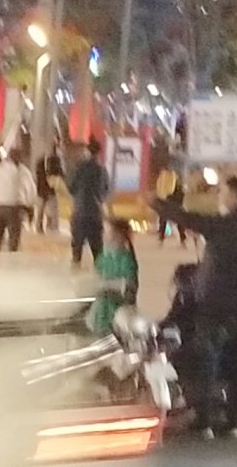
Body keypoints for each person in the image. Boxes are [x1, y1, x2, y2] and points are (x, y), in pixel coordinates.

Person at [161, 173, 237, 437]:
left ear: (235, 197)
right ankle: (234, 423)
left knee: (208, 362)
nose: (220, 196)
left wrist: (156, 203)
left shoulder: (224, 226)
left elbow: (188, 218)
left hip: (215, 305)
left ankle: (205, 421)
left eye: (224, 192)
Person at [89, 216, 142, 335]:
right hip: (102, 310)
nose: (103, 235)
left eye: (108, 232)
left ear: (119, 236)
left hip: (118, 312)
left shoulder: (125, 259)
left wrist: (107, 285)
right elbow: (96, 275)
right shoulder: (103, 256)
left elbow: (129, 286)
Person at [67, 138, 109, 269]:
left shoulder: (79, 168)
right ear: (99, 152)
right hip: (95, 214)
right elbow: (106, 191)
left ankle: (75, 272)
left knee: (76, 251)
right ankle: (99, 275)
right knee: (98, 252)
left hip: (79, 213)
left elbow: (71, 187)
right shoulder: (102, 170)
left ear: (87, 150)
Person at [0, 143, 35, 253]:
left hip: (0, 207)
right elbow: (31, 190)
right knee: (13, 243)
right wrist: (30, 205)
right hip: (15, 209)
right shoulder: (24, 171)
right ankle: (11, 261)